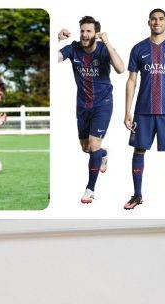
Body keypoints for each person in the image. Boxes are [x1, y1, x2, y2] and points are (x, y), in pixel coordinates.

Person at [123, 8, 165, 210]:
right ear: (148, 22)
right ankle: (137, 195)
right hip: (143, 111)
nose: (157, 22)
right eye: (153, 19)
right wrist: (127, 111)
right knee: (139, 150)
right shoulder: (138, 49)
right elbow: (131, 81)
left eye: (160, 19)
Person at [58, 16, 125, 203]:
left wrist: (108, 43)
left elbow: (121, 68)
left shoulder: (104, 50)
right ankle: (103, 154)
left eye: (88, 31)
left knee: (94, 144)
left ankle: (90, 189)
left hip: (103, 103)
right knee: (86, 148)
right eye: (82, 31)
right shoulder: (73, 48)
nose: (84, 34)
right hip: (82, 105)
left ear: (95, 33)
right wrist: (56, 40)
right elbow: (54, 59)